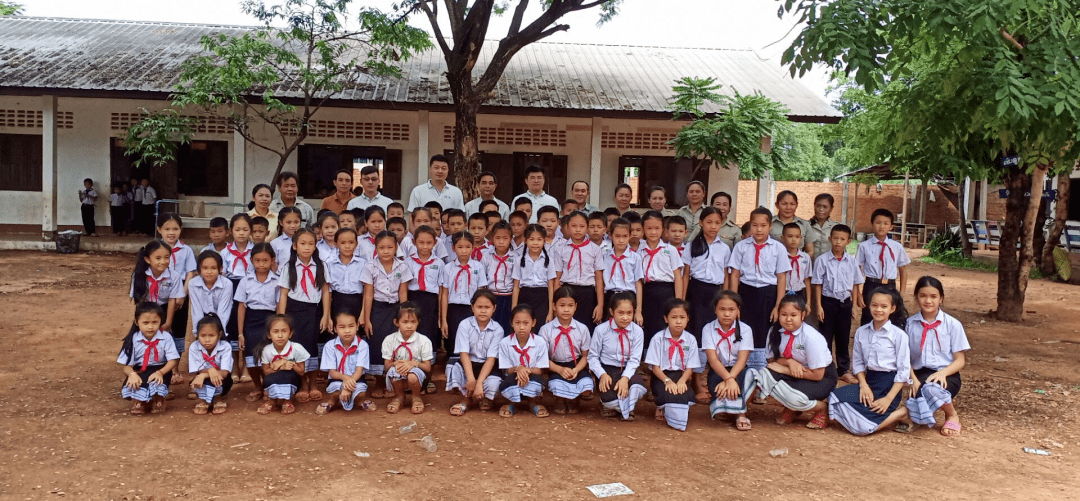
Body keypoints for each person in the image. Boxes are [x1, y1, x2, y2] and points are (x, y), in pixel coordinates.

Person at [829, 287, 913, 435]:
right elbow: (858, 363)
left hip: (888, 386)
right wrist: (863, 385)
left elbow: (903, 371)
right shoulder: (861, 332)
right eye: (874, 305)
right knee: (833, 398)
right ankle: (861, 417)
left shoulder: (899, 335)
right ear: (869, 305)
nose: (878, 310)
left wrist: (888, 399)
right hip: (868, 382)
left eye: (884, 306)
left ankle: (900, 414)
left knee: (862, 429)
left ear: (892, 309)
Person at [752, 295, 838, 429]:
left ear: (802, 315)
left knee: (794, 397)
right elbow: (771, 360)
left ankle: (821, 408)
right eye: (784, 314)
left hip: (821, 378)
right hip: (794, 373)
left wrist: (785, 370)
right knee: (763, 375)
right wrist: (789, 362)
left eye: (793, 315)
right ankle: (792, 407)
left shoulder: (811, 337)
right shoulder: (774, 331)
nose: (788, 319)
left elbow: (818, 375)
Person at [902, 276, 970, 437]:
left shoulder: (952, 324)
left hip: (947, 374)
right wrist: (913, 379)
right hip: (919, 374)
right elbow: (905, 358)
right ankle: (918, 414)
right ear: (916, 298)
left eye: (933, 296)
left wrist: (942, 373)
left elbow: (960, 360)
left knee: (931, 389)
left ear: (941, 299)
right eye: (923, 296)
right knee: (921, 391)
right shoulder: (909, 324)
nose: (928, 301)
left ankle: (952, 414)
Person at [727, 207, 790, 371]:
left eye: (763, 225)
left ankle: (763, 369)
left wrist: (778, 306)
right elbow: (735, 275)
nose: (759, 229)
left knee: (766, 331)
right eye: (755, 225)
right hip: (746, 293)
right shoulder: (741, 247)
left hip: (768, 293)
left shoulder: (778, 248)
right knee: (744, 328)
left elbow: (781, 277)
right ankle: (743, 367)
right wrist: (734, 304)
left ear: (770, 226)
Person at [276, 228, 331, 404]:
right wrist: (281, 319)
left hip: (314, 310)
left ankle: (313, 382)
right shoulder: (288, 267)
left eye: (311, 244)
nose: (307, 247)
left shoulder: (321, 266)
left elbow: (325, 292)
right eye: (302, 243)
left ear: (315, 246)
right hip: (294, 311)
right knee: (296, 347)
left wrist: (326, 315)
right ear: (294, 246)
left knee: (312, 346)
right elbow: (283, 294)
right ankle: (302, 383)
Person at [360, 230, 413, 391]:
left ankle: (395, 381)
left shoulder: (402, 266)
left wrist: (405, 318)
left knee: (396, 343)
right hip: (377, 308)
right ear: (376, 248)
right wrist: (367, 319)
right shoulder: (370, 267)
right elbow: (368, 294)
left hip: (396, 308)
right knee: (377, 342)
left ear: (396, 247)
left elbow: (403, 294)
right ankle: (379, 382)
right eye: (381, 247)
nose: (386, 251)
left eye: (390, 247)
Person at [812, 224, 863, 384]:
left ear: (848, 241)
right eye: (835, 238)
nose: (838, 242)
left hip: (845, 304)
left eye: (842, 239)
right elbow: (817, 284)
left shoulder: (852, 261)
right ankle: (827, 369)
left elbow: (855, 284)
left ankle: (843, 370)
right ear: (830, 239)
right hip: (828, 303)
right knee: (825, 336)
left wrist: (854, 305)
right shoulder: (822, 260)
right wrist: (819, 306)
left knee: (843, 337)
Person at [701, 291, 757, 430]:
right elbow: (713, 360)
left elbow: (742, 360)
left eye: (731, 309)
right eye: (722, 309)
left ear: (738, 310)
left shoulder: (745, 329)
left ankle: (741, 414)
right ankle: (727, 408)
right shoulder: (708, 329)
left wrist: (730, 379)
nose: (726, 314)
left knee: (751, 376)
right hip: (718, 370)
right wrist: (728, 379)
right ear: (715, 310)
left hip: (738, 369)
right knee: (720, 390)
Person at [588, 292, 648, 421]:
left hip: (628, 369)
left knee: (638, 387)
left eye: (629, 313)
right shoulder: (601, 330)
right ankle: (620, 406)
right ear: (612, 312)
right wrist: (602, 375)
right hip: (607, 370)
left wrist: (625, 378)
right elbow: (592, 357)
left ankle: (623, 407)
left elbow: (635, 360)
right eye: (621, 313)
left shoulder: (638, 331)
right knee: (609, 398)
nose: (625, 318)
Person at [446, 290, 504, 415]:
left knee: (494, 382)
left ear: (494, 308)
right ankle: (466, 399)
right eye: (479, 307)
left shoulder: (498, 329)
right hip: (469, 364)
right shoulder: (464, 325)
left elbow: (491, 359)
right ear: (472, 307)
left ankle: (486, 399)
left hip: (487, 366)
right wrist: (471, 379)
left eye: (487, 307)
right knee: (452, 368)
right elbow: (464, 354)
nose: (483, 311)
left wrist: (479, 383)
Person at [645, 299, 700, 431]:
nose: (678, 321)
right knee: (667, 394)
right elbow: (655, 367)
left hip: (680, 376)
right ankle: (661, 406)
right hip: (661, 376)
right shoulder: (658, 338)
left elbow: (690, 367)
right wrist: (667, 381)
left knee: (686, 396)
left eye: (682, 317)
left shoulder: (691, 339)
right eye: (674, 317)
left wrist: (682, 381)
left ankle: (672, 409)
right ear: (666, 319)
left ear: (688, 319)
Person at [538, 286, 594, 414]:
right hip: (555, 366)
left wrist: (576, 370)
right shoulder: (546, 330)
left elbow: (585, 356)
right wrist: (559, 369)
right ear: (554, 306)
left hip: (576, 365)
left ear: (576, 307)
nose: (566, 309)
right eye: (562, 305)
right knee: (557, 386)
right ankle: (560, 398)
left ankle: (574, 398)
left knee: (586, 387)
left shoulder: (582, 328)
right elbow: (543, 358)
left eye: (570, 305)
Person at [235, 243, 279, 402]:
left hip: (270, 321)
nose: (261, 264)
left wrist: (277, 327)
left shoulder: (277, 281)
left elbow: (279, 306)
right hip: (251, 320)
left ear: (272, 260)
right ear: (251, 261)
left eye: (265, 260)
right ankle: (257, 386)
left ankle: (268, 386)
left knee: (268, 356)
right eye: (257, 260)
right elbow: (241, 307)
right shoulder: (245, 281)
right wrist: (241, 333)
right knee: (251, 356)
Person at [118, 302, 180, 415]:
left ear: (161, 321)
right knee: (136, 382)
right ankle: (139, 401)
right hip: (140, 369)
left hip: (161, 369)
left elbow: (173, 360)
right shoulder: (133, 339)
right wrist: (132, 374)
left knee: (157, 382)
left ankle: (159, 399)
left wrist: (160, 372)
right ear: (136, 322)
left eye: (155, 322)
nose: (150, 326)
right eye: (145, 323)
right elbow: (126, 366)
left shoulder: (166, 337)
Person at [157, 214, 197, 382]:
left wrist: (182, 294)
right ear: (159, 230)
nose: (171, 232)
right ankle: (159, 365)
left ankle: (175, 368)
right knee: (160, 328)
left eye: (175, 229)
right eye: (167, 229)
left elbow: (190, 273)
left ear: (181, 230)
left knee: (179, 329)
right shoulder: (154, 249)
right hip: (160, 292)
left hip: (180, 290)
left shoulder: (186, 250)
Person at [638, 211, 684, 354]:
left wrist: (678, 302)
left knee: (664, 324)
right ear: (643, 229)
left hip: (667, 292)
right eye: (649, 228)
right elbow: (638, 279)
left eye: (657, 228)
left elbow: (678, 277)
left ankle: (665, 355)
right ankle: (648, 357)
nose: (653, 232)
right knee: (648, 324)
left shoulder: (670, 250)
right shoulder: (639, 250)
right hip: (647, 291)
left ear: (663, 230)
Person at [856, 208, 910, 325]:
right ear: (872, 224)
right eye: (878, 222)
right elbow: (856, 270)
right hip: (871, 285)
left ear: (891, 226)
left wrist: (902, 292)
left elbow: (903, 270)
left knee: (890, 317)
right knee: (869, 316)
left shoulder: (896, 246)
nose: (882, 226)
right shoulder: (864, 246)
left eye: (886, 223)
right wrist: (858, 294)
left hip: (890, 285)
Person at [440, 231, 488, 360]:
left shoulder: (478, 267)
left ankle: (470, 364)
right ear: (453, 248)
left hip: (471, 309)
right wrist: (444, 320)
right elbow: (444, 294)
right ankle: (453, 364)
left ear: (473, 247)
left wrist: (479, 313)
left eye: (467, 247)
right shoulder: (448, 268)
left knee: (471, 338)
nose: (464, 251)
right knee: (453, 338)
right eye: (460, 247)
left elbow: (480, 293)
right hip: (453, 309)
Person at [495, 305, 550, 418]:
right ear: (511, 323)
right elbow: (507, 370)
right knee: (508, 382)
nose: (521, 327)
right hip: (513, 377)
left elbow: (541, 370)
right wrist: (518, 369)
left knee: (536, 382)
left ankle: (533, 402)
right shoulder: (505, 343)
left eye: (526, 323)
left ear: (533, 323)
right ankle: (512, 402)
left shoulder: (540, 342)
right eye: (517, 323)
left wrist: (525, 371)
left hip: (533, 376)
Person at [553, 211, 604, 330]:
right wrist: (554, 304)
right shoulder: (560, 249)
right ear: (567, 227)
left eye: (582, 226)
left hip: (587, 294)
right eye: (574, 226)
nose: (577, 230)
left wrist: (600, 305)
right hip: (567, 292)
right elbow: (557, 278)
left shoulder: (595, 249)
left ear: (587, 227)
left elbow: (599, 279)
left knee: (586, 328)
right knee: (567, 327)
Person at [316, 310, 374, 414]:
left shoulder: (362, 345)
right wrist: (345, 380)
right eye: (342, 327)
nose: (347, 331)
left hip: (356, 379)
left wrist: (347, 387)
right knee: (335, 393)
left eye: (351, 326)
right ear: (335, 328)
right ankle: (332, 402)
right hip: (337, 379)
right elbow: (332, 373)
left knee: (360, 393)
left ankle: (359, 401)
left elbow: (359, 371)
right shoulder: (330, 346)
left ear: (357, 326)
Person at [382, 302, 434, 414]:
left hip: (416, 378)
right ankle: (399, 396)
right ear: (396, 322)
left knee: (412, 376)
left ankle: (416, 397)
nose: (409, 326)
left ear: (418, 322)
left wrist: (414, 364)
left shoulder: (424, 341)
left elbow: (428, 367)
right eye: (405, 322)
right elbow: (387, 366)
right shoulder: (389, 340)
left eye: (413, 322)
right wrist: (395, 364)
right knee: (393, 371)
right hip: (398, 373)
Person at [256, 314, 310, 415]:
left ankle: (287, 400)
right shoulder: (266, 350)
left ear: (290, 334)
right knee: (270, 378)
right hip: (273, 378)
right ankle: (272, 400)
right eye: (275, 331)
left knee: (288, 377)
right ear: (269, 335)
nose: (280, 336)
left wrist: (289, 363)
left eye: (284, 331)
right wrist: (281, 367)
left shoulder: (296, 348)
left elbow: (301, 372)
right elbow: (266, 372)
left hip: (293, 379)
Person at [187, 251, 235, 364]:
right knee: (202, 349)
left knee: (223, 350)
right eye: (205, 268)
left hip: (222, 321)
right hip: (202, 319)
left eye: (213, 268)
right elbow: (196, 309)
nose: (209, 272)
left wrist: (218, 333)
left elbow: (223, 311)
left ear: (220, 269)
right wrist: (199, 332)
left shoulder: (227, 284)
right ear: (199, 269)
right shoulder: (193, 283)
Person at [187, 313, 233, 415]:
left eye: (211, 335)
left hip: (222, 380)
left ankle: (218, 398)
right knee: (198, 379)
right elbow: (197, 370)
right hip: (203, 380)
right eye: (203, 336)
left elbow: (225, 373)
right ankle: (203, 400)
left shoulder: (225, 346)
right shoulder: (194, 347)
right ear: (197, 335)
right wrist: (209, 371)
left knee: (216, 378)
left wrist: (204, 374)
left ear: (219, 335)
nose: (207, 340)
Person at [512, 224, 556, 328]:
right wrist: (514, 310)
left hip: (542, 297)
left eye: (539, 239)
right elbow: (516, 287)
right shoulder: (519, 260)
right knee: (525, 326)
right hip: (525, 296)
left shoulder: (549, 260)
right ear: (525, 241)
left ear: (544, 241)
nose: (535, 243)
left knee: (540, 326)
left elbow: (550, 287)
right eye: (531, 239)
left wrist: (550, 311)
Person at [600, 218, 643, 324]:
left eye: (625, 236)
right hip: (610, 296)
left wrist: (638, 310)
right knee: (609, 326)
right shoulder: (605, 257)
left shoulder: (635, 258)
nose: (621, 240)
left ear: (630, 236)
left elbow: (638, 283)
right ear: (610, 236)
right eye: (617, 236)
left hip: (629, 296)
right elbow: (601, 282)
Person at [481, 221, 515, 333]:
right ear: (492, 238)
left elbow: (516, 284)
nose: (501, 242)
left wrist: (514, 306)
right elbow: (482, 280)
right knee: (490, 327)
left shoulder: (515, 257)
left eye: (505, 238)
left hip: (508, 298)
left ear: (511, 239)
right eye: (497, 238)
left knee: (506, 328)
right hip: (491, 297)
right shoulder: (486, 256)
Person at [326, 227, 364, 321]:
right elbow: (328, 291)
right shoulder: (330, 264)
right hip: (337, 301)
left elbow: (367, 290)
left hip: (357, 302)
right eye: (343, 243)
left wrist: (363, 314)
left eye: (351, 242)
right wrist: (327, 316)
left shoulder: (363, 264)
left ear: (356, 244)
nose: (347, 246)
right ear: (336, 244)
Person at [770, 190, 817, 259]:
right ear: (777, 205)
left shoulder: (804, 225)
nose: (788, 207)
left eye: (792, 204)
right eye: (784, 204)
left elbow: (810, 251)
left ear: (797, 205)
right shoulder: (769, 224)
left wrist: (802, 263)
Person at [782, 223, 813, 303]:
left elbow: (807, 280)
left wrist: (808, 302)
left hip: (800, 292)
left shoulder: (805, 257)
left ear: (801, 238)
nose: (794, 240)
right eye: (790, 236)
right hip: (782, 292)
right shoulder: (780, 256)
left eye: (797, 237)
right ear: (783, 238)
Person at [809, 194, 838, 259]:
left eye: (825, 207)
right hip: (810, 264)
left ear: (831, 208)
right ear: (814, 206)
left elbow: (841, 251)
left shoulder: (836, 227)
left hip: (830, 264)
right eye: (818, 206)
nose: (821, 209)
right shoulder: (806, 225)